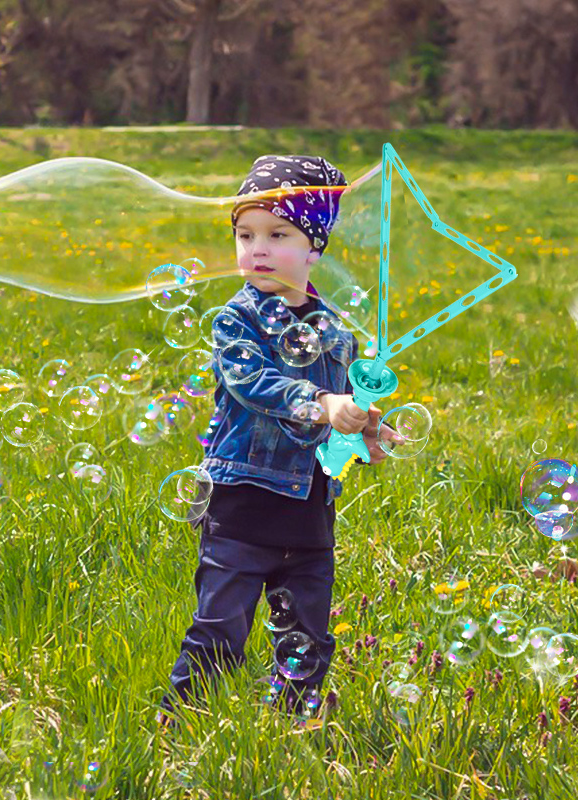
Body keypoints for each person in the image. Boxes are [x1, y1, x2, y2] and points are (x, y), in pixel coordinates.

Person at [156, 155, 404, 733]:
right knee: (221, 628)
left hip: (309, 511)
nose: (256, 249)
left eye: (277, 234)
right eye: (245, 236)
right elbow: (254, 383)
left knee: (308, 635)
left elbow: (339, 406)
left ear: (315, 247)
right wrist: (321, 404)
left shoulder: (337, 327)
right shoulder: (235, 320)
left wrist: (364, 429)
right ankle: (180, 729)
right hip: (242, 502)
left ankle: (292, 732)